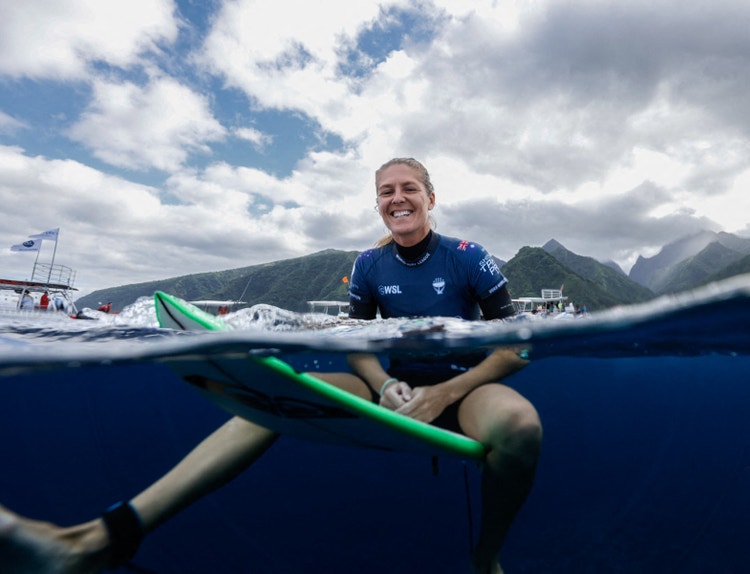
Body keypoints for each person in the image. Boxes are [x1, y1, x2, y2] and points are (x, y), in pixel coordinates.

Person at [0, 158, 542, 574]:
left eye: (408, 189)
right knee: (265, 392)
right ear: (378, 203)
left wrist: (445, 394)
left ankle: (484, 558)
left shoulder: (469, 255)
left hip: (465, 392)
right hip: (390, 387)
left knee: (521, 427)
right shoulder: (368, 264)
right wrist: (384, 382)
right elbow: (355, 341)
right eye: (386, 191)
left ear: (429, 197)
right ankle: (91, 541)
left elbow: (517, 345)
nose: (397, 199)